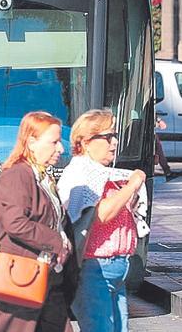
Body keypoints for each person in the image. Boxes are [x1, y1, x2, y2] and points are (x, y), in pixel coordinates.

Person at [0, 111, 73, 332]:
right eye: (54, 142)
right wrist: (56, 241)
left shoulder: (43, 177)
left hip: (45, 274)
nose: (61, 149)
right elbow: (15, 224)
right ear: (32, 142)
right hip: (19, 278)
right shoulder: (16, 176)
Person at [57, 109, 149, 332]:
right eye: (108, 137)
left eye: (114, 136)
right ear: (86, 142)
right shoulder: (81, 173)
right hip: (94, 268)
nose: (114, 143)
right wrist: (131, 186)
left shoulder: (105, 173)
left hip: (117, 267)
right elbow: (101, 215)